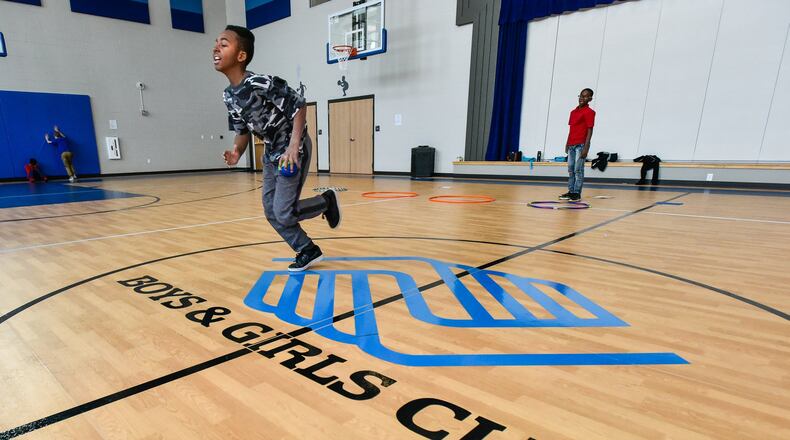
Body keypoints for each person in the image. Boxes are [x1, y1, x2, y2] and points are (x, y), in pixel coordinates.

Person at [213, 25, 341, 272]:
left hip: (292, 148)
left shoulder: (260, 82)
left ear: (241, 56)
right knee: (271, 211)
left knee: (283, 212)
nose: (216, 47)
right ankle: (307, 249)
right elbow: (241, 131)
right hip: (271, 153)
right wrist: (236, 152)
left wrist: (294, 147)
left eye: (224, 43)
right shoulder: (229, 96)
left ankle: (325, 202)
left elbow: (299, 106)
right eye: (216, 42)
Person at [559, 88, 595, 201]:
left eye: (585, 96)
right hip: (571, 145)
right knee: (570, 169)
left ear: (590, 99)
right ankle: (570, 191)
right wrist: (567, 143)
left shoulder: (590, 112)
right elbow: (571, 129)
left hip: (581, 145)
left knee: (578, 169)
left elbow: (590, 130)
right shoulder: (573, 112)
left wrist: (586, 147)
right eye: (580, 96)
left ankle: (576, 193)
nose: (582, 98)